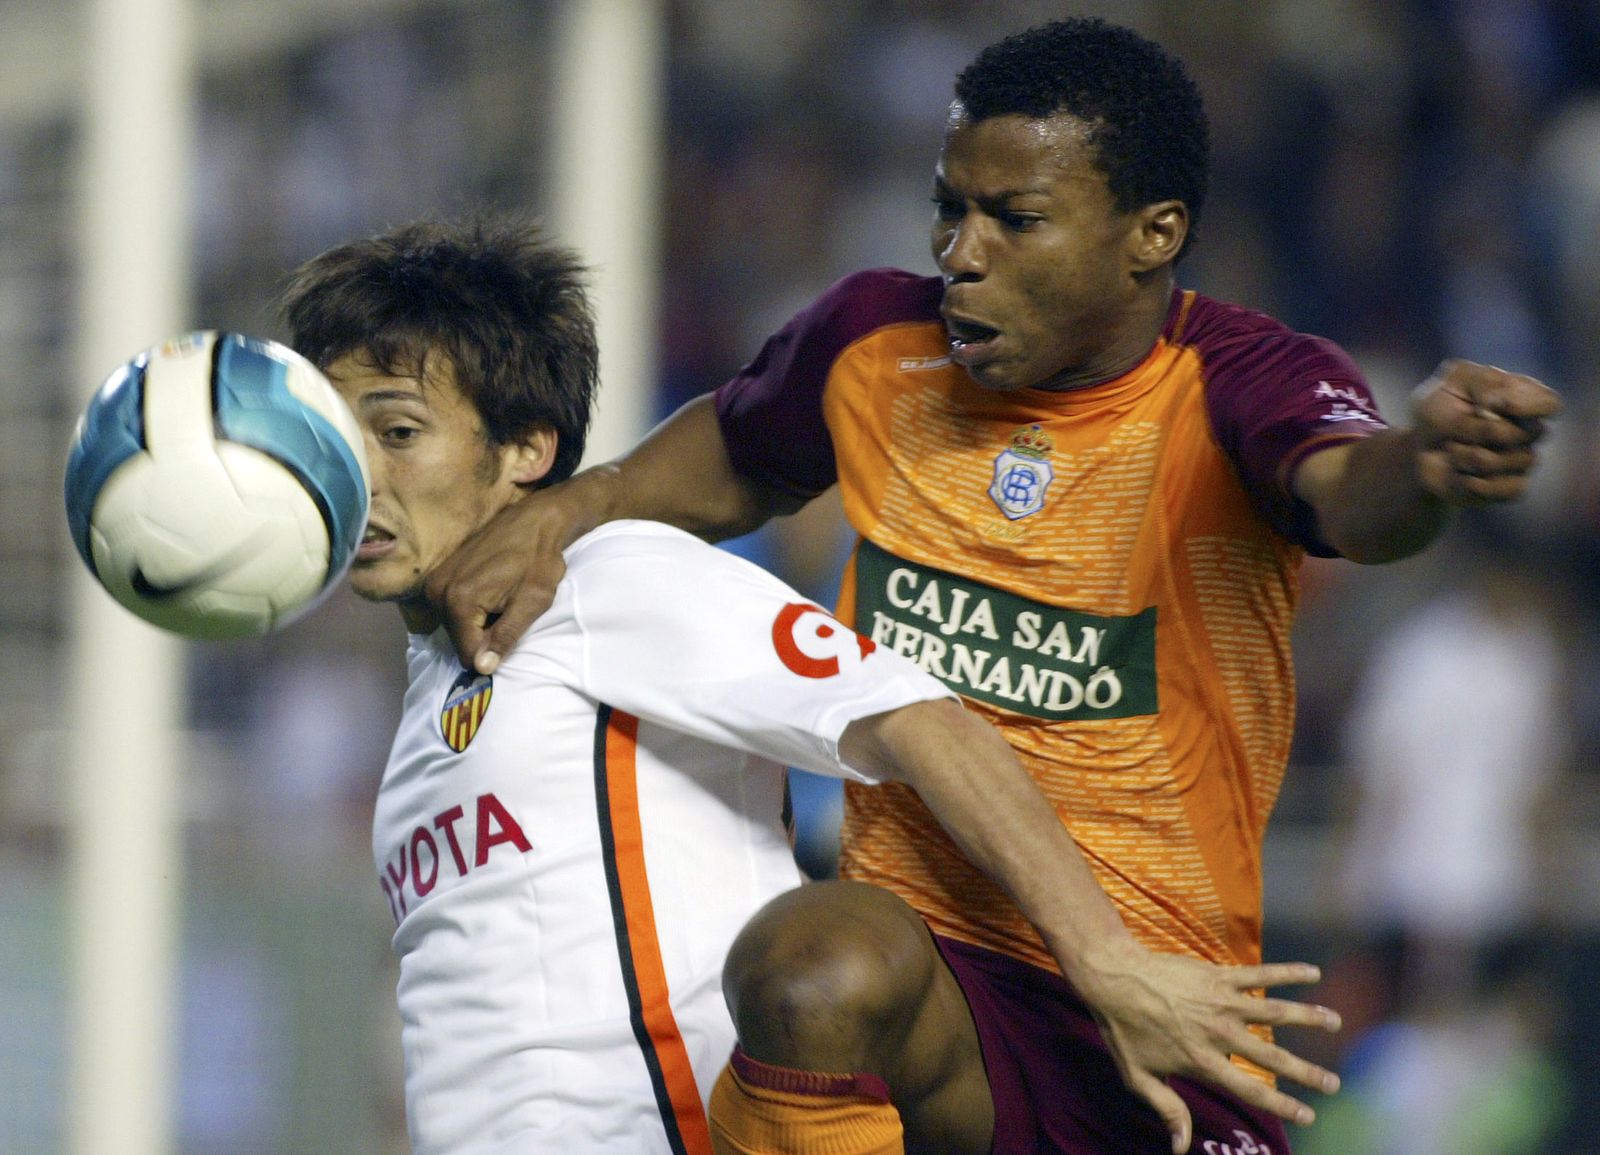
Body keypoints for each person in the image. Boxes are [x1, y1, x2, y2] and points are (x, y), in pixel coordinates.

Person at [424, 18, 1561, 1155]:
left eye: (1015, 220)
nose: (961, 251)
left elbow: (1351, 496)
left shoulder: (1241, 379)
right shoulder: (872, 343)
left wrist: (1423, 466)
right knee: (809, 965)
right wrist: (565, 512)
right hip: (940, 999)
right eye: (949, 208)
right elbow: (727, 461)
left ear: (1150, 235)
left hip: (1160, 1010)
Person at [276, 214, 1341, 1155]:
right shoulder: (435, 687)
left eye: (398, 431)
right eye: (333, 433)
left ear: (524, 449)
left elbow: (923, 723)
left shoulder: (607, 580)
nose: (356, 472)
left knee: (826, 952)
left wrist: (1108, 964)